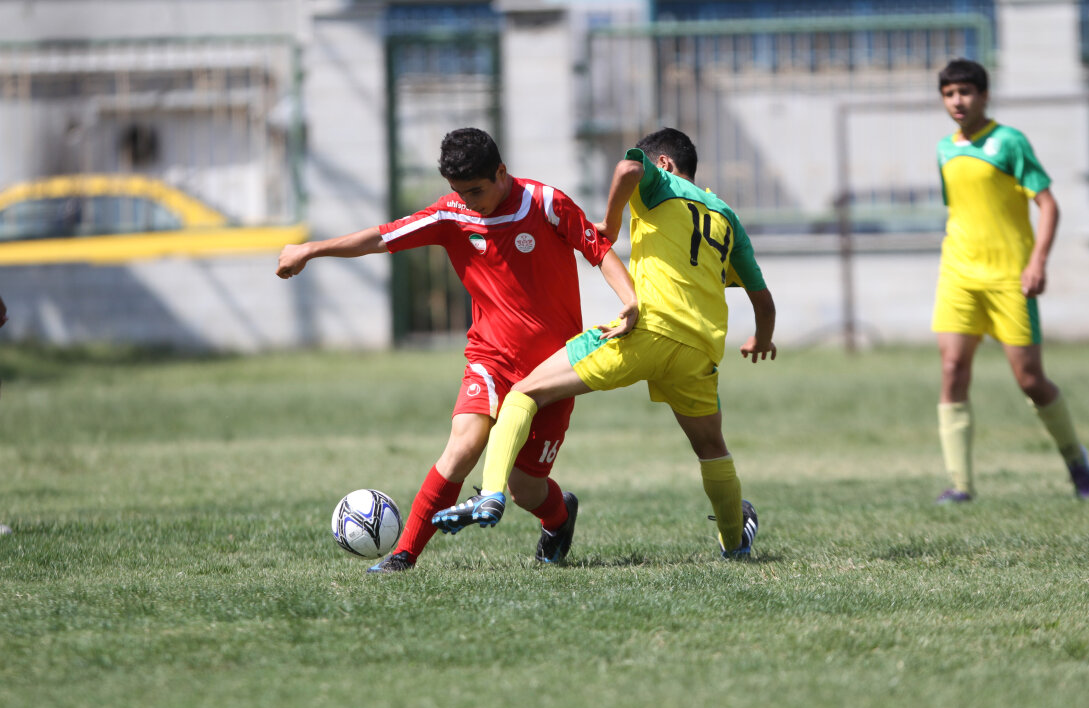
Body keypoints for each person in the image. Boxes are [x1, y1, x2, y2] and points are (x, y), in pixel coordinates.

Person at [276, 128, 637, 572]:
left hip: (554, 369)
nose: (467, 201)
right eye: (458, 191)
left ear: (501, 172)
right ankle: (404, 555)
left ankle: (559, 517)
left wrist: (630, 300)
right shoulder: (451, 214)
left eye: (476, 191)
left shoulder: (546, 203)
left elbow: (598, 249)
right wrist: (311, 249)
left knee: (525, 488)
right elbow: (381, 238)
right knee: (463, 447)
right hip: (491, 359)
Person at [432, 127, 776, 559]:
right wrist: (761, 338)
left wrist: (611, 224)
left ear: (664, 164)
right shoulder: (726, 217)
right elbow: (762, 298)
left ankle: (491, 493)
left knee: (524, 392)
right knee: (711, 448)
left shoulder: (661, 182)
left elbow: (629, 168)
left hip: (647, 331)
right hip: (700, 350)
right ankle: (735, 543)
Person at [930, 58, 1089, 504]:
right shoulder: (945, 149)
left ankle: (1076, 460)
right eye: (949, 94)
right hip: (958, 276)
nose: (957, 101)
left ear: (984, 95)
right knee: (952, 369)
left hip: (1009, 279)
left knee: (1029, 380)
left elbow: (1049, 205)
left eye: (966, 92)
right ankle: (960, 485)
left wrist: (1037, 261)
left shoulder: (1009, 142)